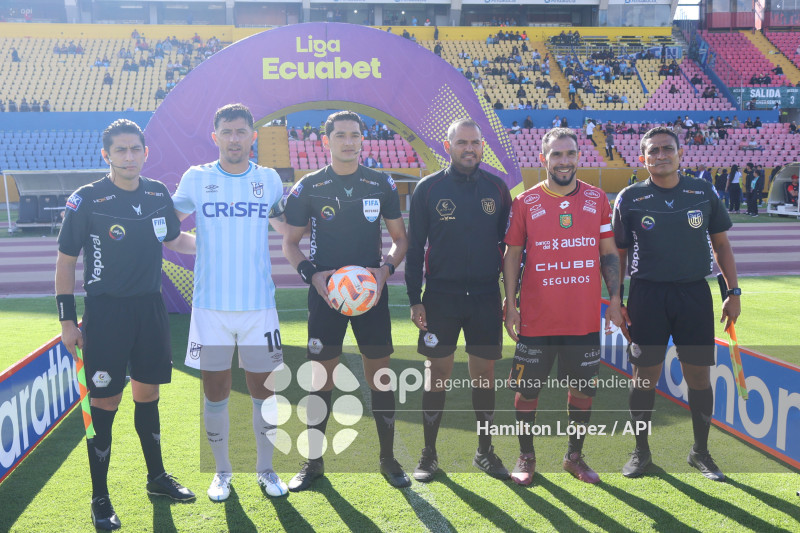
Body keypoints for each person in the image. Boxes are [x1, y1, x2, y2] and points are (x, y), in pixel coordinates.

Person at [56, 120, 197, 530]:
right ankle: (100, 497)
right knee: (106, 402)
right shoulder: (87, 199)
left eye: (136, 148)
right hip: (106, 314)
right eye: (121, 150)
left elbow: (174, 240)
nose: (129, 156)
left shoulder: (157, 193)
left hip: (150, 311)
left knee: (147, 393)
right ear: (107, 155)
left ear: (146, 152)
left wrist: (215, 244)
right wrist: (67, 321)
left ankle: (156, 479)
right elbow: (65, 262)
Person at [281, 110, 410, 491]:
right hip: (327, 294)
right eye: (340, 135)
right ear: (326, 141)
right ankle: (313, 461)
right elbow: (290, 242)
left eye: (355, 135)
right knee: (319, 379)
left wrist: (385, 270)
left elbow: (400, 239)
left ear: (362, 140)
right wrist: (312, 274)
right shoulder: (310, 187)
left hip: (370, 293)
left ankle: (388, 459)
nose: (349, 141)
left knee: (380, 377)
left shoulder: (380, 183)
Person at [171, 104, 289, 501]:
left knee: (265, 394)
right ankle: (222, 472)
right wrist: (202, 244)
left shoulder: (269, 180)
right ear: (215, 136)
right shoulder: (196, 178)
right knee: (216, 392)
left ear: (253, 136)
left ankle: (267, 469)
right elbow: (172, 234)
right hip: (211, 309)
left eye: (242, 131)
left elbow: (286, 229)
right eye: (228, 132)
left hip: (259, 307)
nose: (235, 138)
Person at [613, 126, 740, 481]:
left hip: (694, 294)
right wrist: (614, 299)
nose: (661, 155)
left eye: (667, 149)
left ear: (680, 153)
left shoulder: (702, 191)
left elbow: (722, 246)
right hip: (647, 296)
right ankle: (641, 452)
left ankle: (700, 451)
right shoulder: (630, 197)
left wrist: (734, 292)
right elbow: (618, 255)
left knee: (699, 376)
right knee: (644, 377)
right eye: (653, 151)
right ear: (643, 158)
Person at [504, 127, 624, 485]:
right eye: (556, 155)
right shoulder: (525, 202)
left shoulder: (598, 199)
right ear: (543, 159)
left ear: (579, 157)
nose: (564, 161)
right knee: (527, 390)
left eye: (570, 153)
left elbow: (608, 254)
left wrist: (615, 300)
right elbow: (511, 255)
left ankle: (574, 457)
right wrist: (510, 305)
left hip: (583, 319)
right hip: (537, 320)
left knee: (583, 390)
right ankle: (527, 456)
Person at [405, 119, 512, 483]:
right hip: (441, 298)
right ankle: (429, 455)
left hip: (484, 296)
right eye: (462, 142)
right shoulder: (428, 189)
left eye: (476, 143)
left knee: (484, 375)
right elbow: (415, 247)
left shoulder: (497, 188)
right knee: (438, 374)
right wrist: (413, 298)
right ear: (447, 146)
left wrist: (510, 297)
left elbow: (510, 248)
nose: (470, 149)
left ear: (482, 146)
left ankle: (484, 452)